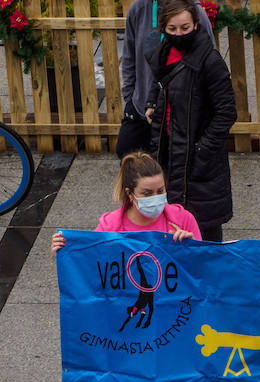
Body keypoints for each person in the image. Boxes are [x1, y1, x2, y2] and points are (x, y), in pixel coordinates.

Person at [147, 0, 236, 242]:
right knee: (172, 231)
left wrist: (201, 150)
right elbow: (160, 86)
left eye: (185, 28)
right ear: (164, 29)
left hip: (198, 162)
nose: (179, 34)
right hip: (168, 154)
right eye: (172, 29)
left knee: (205, 235)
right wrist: (151, 105)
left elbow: (226, 112)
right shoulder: (161, 56)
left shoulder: (210, 61)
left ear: (196, 25)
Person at [51, 151, 202, 258]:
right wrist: (64, 252)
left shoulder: (183, 219)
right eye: (147, 193)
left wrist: (191, 247)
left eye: (160, 190)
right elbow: (89, 266)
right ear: (130, 194)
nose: (156, 197)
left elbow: (202, 270)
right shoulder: (109, 227)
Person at [116, 0, 212, 157]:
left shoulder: (195, 12)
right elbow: (129, 57)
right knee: (127, 154)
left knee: (169, 167)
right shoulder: (138, 9)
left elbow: (209, 61)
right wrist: (130, 97)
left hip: (178, 115)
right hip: (141, 108)